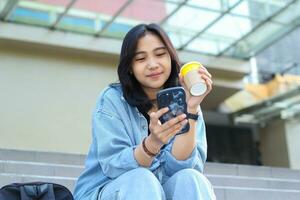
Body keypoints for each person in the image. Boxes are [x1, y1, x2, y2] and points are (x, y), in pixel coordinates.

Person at [73, 23, 215, 200]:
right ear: (130, 67)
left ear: (170, 58)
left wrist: (191, 109)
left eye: (160, 54)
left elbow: (182, 170)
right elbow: (113, 166)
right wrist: (152, 144)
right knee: (142, 179)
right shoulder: (113, 99)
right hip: (108, 190)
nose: (153, 64)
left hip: (159, 190)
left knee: (191, 178)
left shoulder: (185, 99)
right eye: (141, 59)